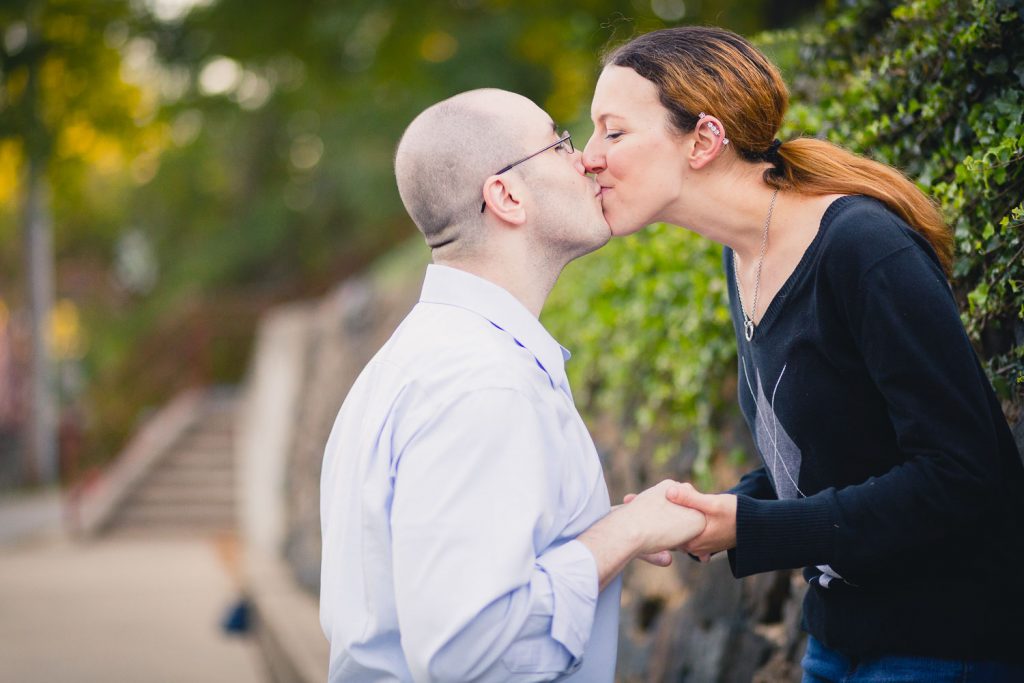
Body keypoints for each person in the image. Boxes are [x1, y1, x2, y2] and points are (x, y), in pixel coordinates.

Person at [582, 25, 1024, 682]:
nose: (588, 156)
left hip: (943, 645)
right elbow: (829, 456)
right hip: (834, 641)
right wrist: (716, 510)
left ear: (703, 140)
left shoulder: (864, 249)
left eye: (612, 132)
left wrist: (753, 527)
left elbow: (962, 473)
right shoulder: (743, 257)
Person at [319, 88, 706, 682]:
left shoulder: (428, 359)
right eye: (561, 143)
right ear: (505, 195)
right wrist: (625, 532)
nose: (588, 160)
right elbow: (470, 654)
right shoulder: (481, 385)